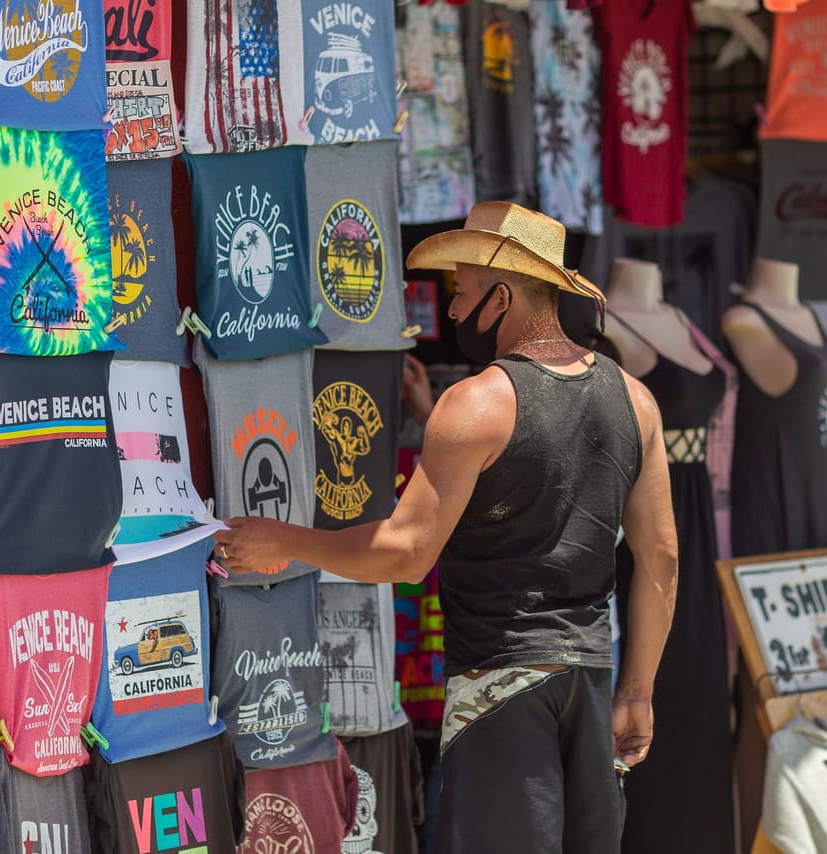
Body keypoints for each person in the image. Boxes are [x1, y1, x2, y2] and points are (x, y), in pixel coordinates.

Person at [216, 202, 678, 853]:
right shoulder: (636, 398)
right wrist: (638, 691)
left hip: (500, 690)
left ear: (503, 293)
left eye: (461, 292)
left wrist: (284, 540)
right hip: (590, 682)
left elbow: (407, 552)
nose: (453, 312)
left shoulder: (478, 402)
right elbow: (661, 557)